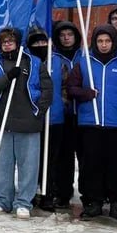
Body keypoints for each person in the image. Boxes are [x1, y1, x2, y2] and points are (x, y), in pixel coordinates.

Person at [67, 26, 117, 221]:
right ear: (95, 42)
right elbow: (71, 88)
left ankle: (115, 203)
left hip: (115, 124)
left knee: (114, 166)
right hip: (90, 123)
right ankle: (94, 202)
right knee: (91, 165)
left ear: (113, 42)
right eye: (100, 41)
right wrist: (86, 94)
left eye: (107, 41)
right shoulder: (85, 63)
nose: (104, 45)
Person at [0, 27, 53, 219]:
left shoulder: (34, 63)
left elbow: (47, 90)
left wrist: (37, 112)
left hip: (28, 122)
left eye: (11, 41)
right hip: (1, 121)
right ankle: (1, 200)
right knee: (0, 164)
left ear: (18, 43)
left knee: (28, 165)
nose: (7, 44)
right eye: (4, 42)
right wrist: (7, 77)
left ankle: (23, 202)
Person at [26, 27, 66, 214]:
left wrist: (63, 104)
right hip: (32, 118)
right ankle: (30, 192)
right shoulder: (27, 62)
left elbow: (66, 86)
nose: (40, 45)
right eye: (36, 42)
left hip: (55, 118)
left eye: (43, 42)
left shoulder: (59, 62)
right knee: (31, 159)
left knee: (52, 159)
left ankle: (48, 193)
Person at [48, 21, 82, 211]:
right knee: (63, 157)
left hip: (84, 114)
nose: (66, 38)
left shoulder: (84, 56)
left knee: (85, 157)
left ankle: (89, 192)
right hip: (62, 115)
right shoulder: (53, 58)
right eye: (62, 35)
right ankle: (62, 192)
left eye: (70, 34)